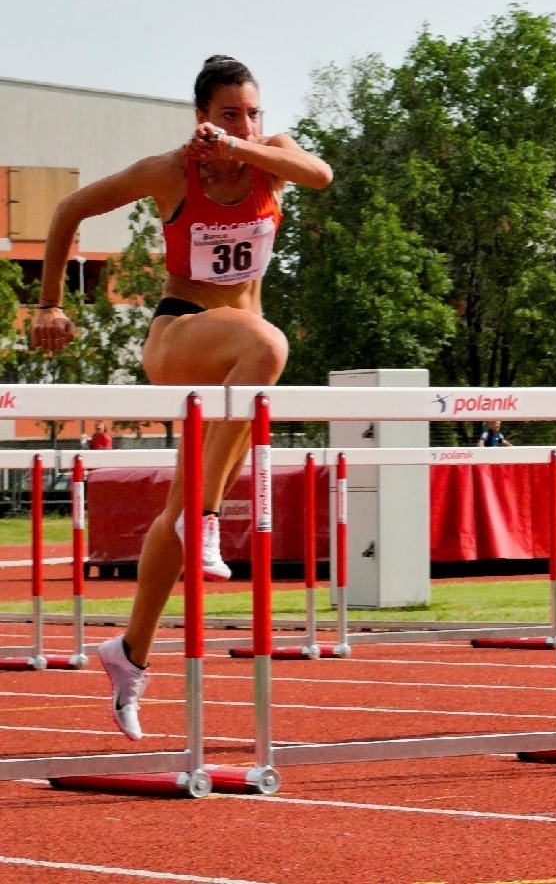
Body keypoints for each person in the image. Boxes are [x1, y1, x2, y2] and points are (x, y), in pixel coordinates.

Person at [31, 55, 333, 739]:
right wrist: (48, 304)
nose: (246, 124)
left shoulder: (272, 157)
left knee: (182, 498)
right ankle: (205, 518)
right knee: (270, 345)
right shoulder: (171, 171)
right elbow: (69, 209)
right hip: (179, 339)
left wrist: (247, 146)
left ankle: (129, 654)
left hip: (234, 370)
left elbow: (322, 176)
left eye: (254, 112)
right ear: (202, 118)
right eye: (230, 114)